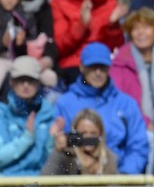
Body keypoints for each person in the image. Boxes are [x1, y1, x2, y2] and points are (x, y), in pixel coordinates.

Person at [53, 41, 147, 173]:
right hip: (76, 176)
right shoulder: (64, 103)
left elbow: (138, 146)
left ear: (109, 68)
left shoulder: (126, 103)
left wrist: (123, 177)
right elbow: (57, 145)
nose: (98, 72)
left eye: (102, 67)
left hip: (117, 175)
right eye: (92, 67)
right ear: (81, 67)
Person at [0, 55, 57, 176]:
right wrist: (27, 138)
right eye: (21, 79)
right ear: (11, 82)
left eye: (31, 80)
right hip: (4, 185)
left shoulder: (47, 113)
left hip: (38, 185)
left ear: (38, 83)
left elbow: (47, 162)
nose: (26, 85)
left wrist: (52, 142)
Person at [42, 105, 118, 174]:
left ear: (100, 134)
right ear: (75, 133)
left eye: (93, 133)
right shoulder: (66, 156)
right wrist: (57, 151)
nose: (88, 137)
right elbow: (46, 178)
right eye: (83, 133)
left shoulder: (108, 158)